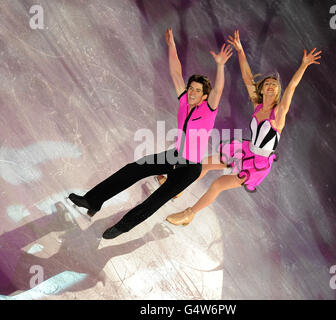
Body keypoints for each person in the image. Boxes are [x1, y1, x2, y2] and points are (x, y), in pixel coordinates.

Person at [68, 28, 233, 239]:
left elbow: (218, 91)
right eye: (191, 88)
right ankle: (93, 200)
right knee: (132, 170)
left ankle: (123, 227)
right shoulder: (184, 100)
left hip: (190, 168)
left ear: (204, 96)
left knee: (156, 200)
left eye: (197, 91)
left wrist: (220, 66)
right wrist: (172, 46)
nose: (191, 92)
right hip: (173, 155)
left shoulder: (208, 111)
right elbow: (175, 73)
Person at [166, 29, 321, 226]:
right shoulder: (258, 107)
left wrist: (304, 65)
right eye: (268, 84)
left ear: (277, 92)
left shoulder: (278, 115)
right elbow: (248, 78)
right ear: (262, 89)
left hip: (256, 164)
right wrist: (240, 51)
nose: (272, 86)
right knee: (204, 164)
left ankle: (189, 214)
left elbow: (291, 89)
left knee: (218, 184)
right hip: (244, 150)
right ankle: (177, 187)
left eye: (275, 85)